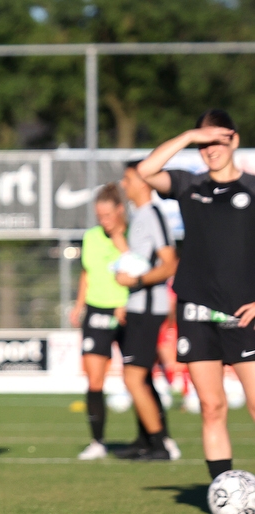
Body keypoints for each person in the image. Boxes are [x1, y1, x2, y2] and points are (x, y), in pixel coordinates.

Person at [137, 109, 255, 481]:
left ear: (234, 140)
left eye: (216, 141)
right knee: (211, 406)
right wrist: (189, 137)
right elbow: (146, 171)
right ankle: (223, 489)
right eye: (203, 144)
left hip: (244, 313)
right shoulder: (190, 184)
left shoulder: (253, 188)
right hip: (196, 311)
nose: (210, 150)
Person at [111, 162, 181, 460]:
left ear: (142, 182)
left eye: (128, 179)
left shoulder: (153, 214)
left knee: (133, 377)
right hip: (138, 306)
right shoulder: (139, 216)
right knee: (142, 377)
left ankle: (160, 444)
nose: (124, 184)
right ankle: (145, 441)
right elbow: (141, 261)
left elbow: (169, 263)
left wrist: (136, 281)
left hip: (151, 309)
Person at [69, 183, 128, 460]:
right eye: (99, 216)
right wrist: (79, 306)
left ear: (120, 211)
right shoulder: (91, 237)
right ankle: (97, 442)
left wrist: (125, 302)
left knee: (138, 378)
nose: (103, 221)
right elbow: (86, 273)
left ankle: (155, 438)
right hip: (95, 311)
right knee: (94, 380)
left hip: (126, 312)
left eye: (108, 215)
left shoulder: (131, 236)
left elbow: (139, 269)